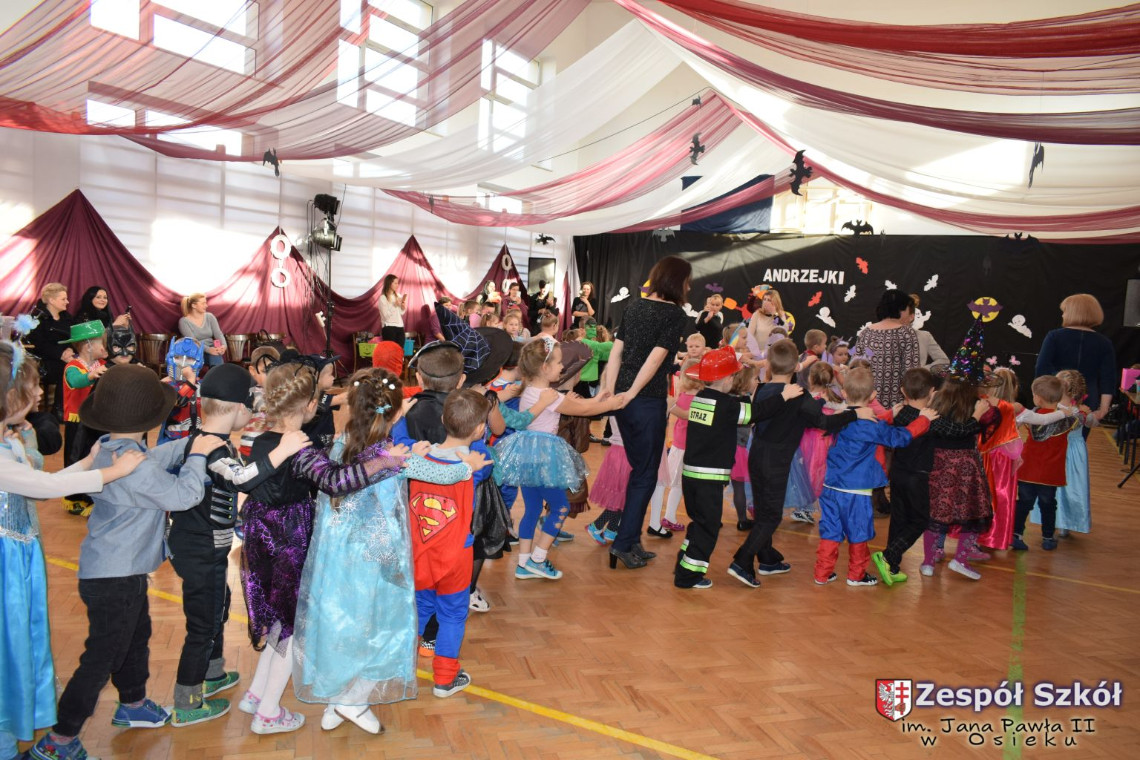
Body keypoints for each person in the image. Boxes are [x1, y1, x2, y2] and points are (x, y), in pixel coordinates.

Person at [29, 365, 225, 760]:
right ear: (151, 419)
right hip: (115, 577)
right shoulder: (136, 467)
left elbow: (152, 458)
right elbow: (183, 495)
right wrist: (197, 457)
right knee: (103, 655)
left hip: (116, 572)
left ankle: (132, 703)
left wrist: (187, 444)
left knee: (135, 636)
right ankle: (61, 737)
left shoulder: (112, 448)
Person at [293, 370, 484, 731]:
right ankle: (353, 699)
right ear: (396, 414)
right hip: (376, 558)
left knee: (345, 626)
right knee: (385, 628)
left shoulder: (341, 443)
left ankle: (336, 699)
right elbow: (442, 475)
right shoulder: (391, 455)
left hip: (338, 558)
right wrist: (467, 467)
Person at [235, 362, 399, 735]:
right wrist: (383, 461)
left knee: (278, 618)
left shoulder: (261, 437)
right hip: (287, 539)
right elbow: (336, 482)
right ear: (310, 406)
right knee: (292, 628)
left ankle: (256, 695)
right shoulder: (299, 448)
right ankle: (269, 713)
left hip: (260, 532)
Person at [0, 340, 145, 760]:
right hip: (6, 566)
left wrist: (87, 461)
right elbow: (45, 487)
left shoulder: (10, 443)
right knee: (7, 644)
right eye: (30, 389)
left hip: (21, 560)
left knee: (20, 639)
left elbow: (38, 487)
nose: (38, 393)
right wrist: (113, 471)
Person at [168, 363, 310, 726]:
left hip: (210, 547)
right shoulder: (211, 448)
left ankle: (213, 674)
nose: (256, 413)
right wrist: (283, 450)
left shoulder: (211, 439)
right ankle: (187, 701)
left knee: (217, 608)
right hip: (199, 548)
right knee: (203, 624)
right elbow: (241, 480)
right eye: (252, 406)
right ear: (236, 408)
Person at [728, 340, 862, 588]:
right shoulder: (798, 394)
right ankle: (742, 560)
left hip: (756, 455)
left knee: (763, 510)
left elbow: (791, 414)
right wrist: (854, 413)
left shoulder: (762, 388)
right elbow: (822, 423)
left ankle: (767, 558)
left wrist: (817, 402)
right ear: (796, 366)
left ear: (769, 364)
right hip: (775, 461)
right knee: (771, 516)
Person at [496, 341, 624, 579]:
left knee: (533, 508)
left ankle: (524, 563)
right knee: (561, 506)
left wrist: (598, 399)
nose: (562, 366)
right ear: (544, 368)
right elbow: (581, 410)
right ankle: (538, 559)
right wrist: (610, 404)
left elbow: (577, 404)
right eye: (558, 362)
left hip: (528, 456)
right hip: (544, 457)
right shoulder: (548, 395)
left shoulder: (531, 390)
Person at [600, 256, 692, 569]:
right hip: (645, 399)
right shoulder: (674, 314)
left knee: (641, 470)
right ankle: (623, 543)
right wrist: (631, 393)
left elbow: (617, 353)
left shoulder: (635, 306)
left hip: (625, 398)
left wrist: (613, 391)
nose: (689, 286)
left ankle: (631, 540)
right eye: (687, 281)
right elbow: (655, 360)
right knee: (645, 473)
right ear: (677, 281)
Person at [814, 368, 935, 587]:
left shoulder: (839, 418)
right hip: (856, 490)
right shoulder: (871, 425)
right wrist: (923, 420)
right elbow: (899, 438)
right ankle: (856, 575)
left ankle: (822, 573)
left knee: (830, 531)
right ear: (873, 395)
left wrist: (888, 415)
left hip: (831, 485)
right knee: (859, 532)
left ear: (844, 393)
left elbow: (861, 425)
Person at [409, 390, 495, 699]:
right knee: (453, 615)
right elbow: (484, 464)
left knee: (420, 607)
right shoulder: (475, 464)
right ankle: (445, 679)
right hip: (454, 557)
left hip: (419, 552)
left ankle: (399, 663)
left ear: (443, 420)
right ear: (480, 429)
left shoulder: (417, 457)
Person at [673, 348, 760, 589]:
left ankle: (683, 563)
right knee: (708, 527)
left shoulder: (702, 397)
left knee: (699, 523)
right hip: (708, 478)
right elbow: (752, 414)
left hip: (691, 475)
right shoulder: (726, 405)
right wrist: (773, 396)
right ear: (727, 379)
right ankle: (688, 576)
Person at [919, 375, 994, 580]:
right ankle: (960, 559)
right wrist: (982, 412)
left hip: (939, 463)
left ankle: (928, 562)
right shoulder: (975, 406)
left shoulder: (937, 401)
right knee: (972, 511)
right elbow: (979, 428)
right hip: (964, 465)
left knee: (937, 512)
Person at [870, 368, 938, 584]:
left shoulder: (899, 413)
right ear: (932, 392)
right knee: (920, 520)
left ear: (902, 391)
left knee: (898, 520)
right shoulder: (931, 418)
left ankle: (892, 566)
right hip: (917, 478)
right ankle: (889, 556)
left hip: (898, 474)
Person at [1012, 376, 1078, 552]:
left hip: (1028, 469)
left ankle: (1016, 534)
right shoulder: (1067, 419)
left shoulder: (1031, 416)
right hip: (1051, 471)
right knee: (1048, 504)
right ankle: (1048, 537)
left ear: (1038, 398)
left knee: (1024, 502)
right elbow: (1079, 417)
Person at [1035, 294, 1116, 433]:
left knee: (1051, 438)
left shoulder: (1054, 337)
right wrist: (1103, 409)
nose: (1062, 315)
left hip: (1055, 397)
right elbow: (1108, 378)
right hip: (1087, 400)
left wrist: (1040, 396)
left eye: (1064, 311)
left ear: (1073, 312)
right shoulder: (1104, 343)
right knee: (1079, 438)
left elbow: (1041, 369)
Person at [1031, 370, 1095, 536]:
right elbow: (1092, 422)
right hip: (1073, 452)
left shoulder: (1059, 409)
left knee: (1060, 486)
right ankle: (1063, 522)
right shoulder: (1075, 410)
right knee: (1069, 487)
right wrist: (1088, 415)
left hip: (1065, 451)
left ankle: (1061, 521)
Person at [59, 320, 109, 516]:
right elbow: (75, 381)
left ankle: (92, 497)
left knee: (94, 458)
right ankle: (74, 498)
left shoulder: (102, 364)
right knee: (76, 458)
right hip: (76, 421)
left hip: (95, 421)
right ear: (88, 346)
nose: (104, 348)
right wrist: (90, 375)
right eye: (101, 343)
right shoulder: (73, 367)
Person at [647, 361, 699, 537]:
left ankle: (669, 516)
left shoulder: (681, 396)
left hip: (680, 445)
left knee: (676, 484)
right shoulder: (696, 399)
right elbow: (686, 415)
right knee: (676, 485)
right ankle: (669, 516)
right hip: (685, 447)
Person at [855, 289, 920, 409]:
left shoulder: (866, 332)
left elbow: (856, 368)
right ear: (901, 309)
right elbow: (911, 371)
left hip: (866, 400)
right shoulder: (906, 333)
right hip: (896, 404)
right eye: (908, 308)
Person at [28, 282, 74, 417]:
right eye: (63, 299)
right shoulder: (37, 319)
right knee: (66, 368)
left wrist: (70, 350)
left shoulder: (67, 318)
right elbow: (39, 344)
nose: (67, 302)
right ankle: (59, 409)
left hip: (66, 357)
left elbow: (74, 338)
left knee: (81, 365)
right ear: (52, 300)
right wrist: (60, 354)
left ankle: (75, 407)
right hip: (44, 361)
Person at [178, 293, 226, 368]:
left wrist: (223, 346)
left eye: (206, 303)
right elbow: (194, 341)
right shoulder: (184, 321)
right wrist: (209, 350)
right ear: (194, 305)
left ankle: (217, 373)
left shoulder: (210, 317)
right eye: (203, 303)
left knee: (216, 356)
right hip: (195, 351)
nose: (206, 306)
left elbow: (218, 334)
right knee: (213, 355)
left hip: (211, 348)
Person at [909, 294, 948, 371]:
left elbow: (944, 361)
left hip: (917, 378)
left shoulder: (924, 336)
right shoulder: (885, 335)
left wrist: (921, 371)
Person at [379, 275, 408, 347]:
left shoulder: (398, 296)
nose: (397, 285)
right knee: (391, 351)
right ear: (389, 283)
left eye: (398, 283)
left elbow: (401, 313)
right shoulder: (383, 298)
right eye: (395, 283)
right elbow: (385, 316)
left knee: (400, 350)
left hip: (400, 326)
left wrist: (403, 307)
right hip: (389, 327)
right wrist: (394, 305)